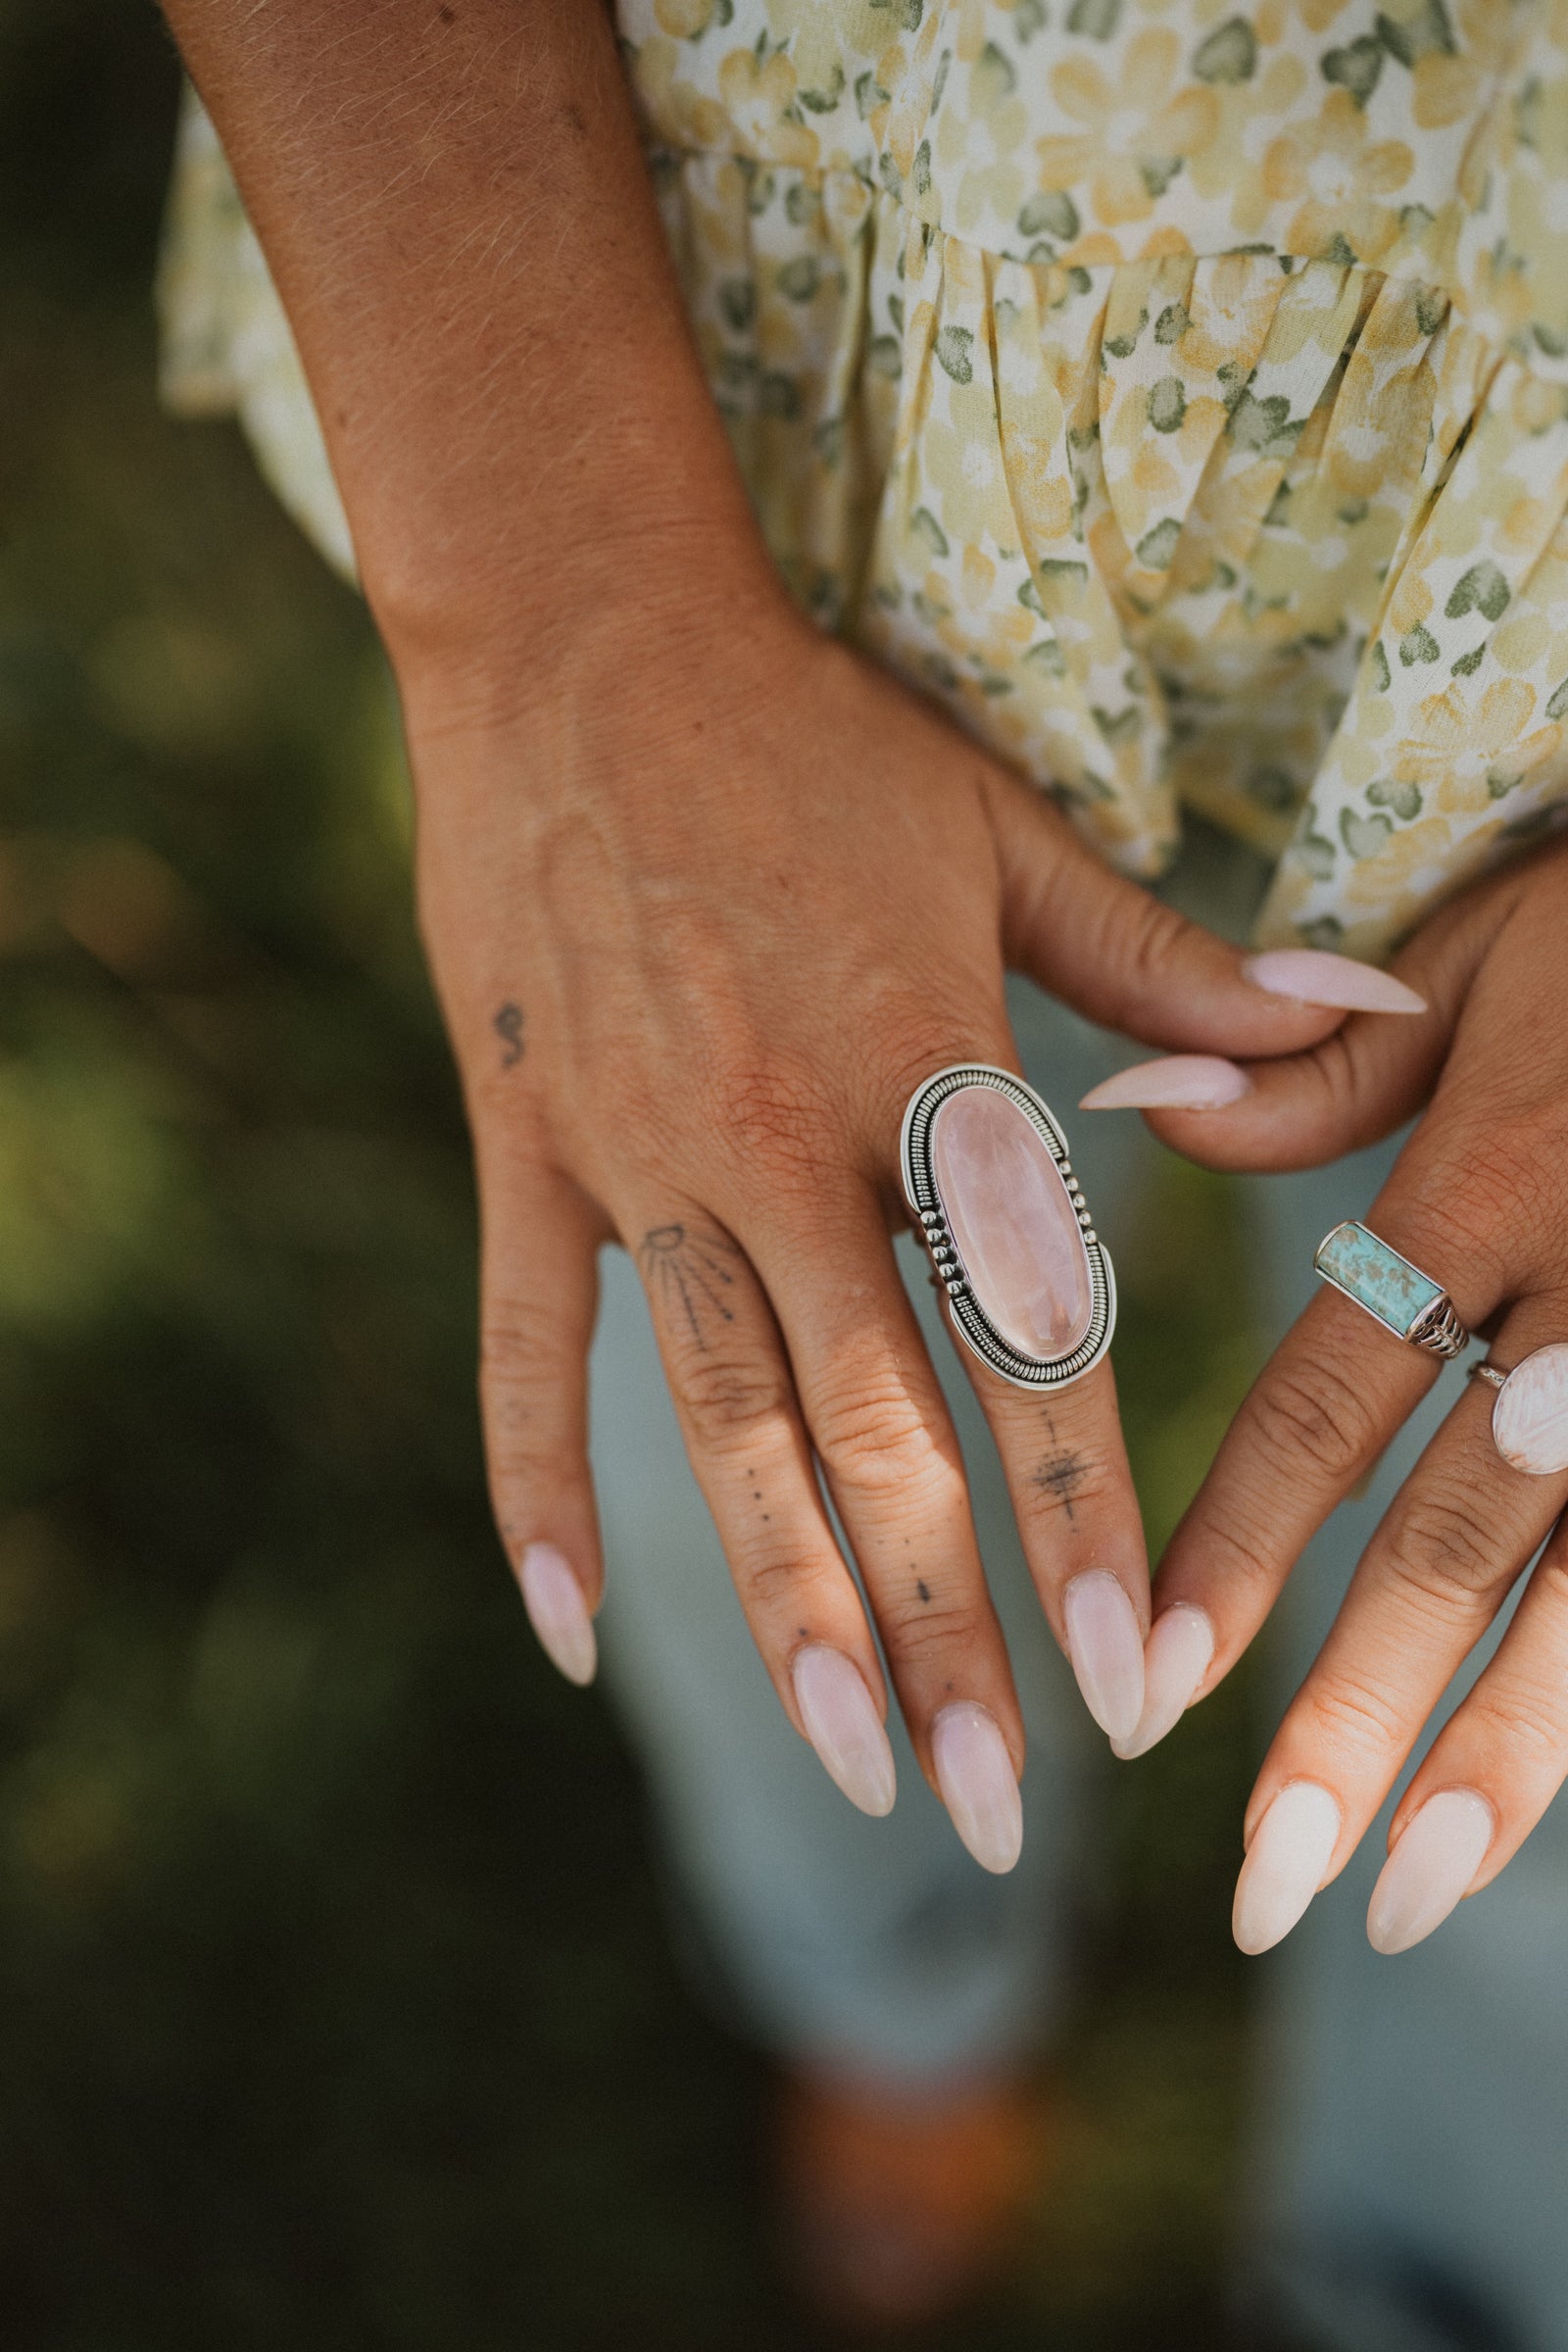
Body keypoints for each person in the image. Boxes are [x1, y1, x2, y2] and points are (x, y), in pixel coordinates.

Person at [154, 2, 1568, 2335]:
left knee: (1532, 1642)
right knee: (780, 1434)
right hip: (785, 464)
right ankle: (902, 1983)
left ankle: (1438, 2264)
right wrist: (556, 604)